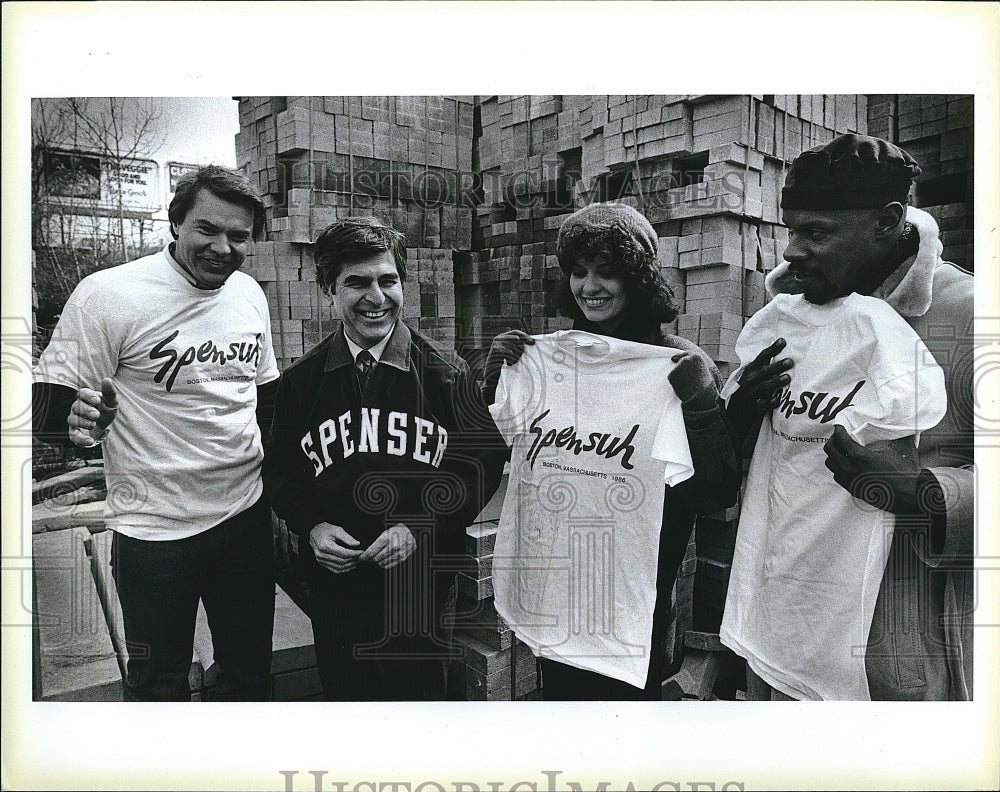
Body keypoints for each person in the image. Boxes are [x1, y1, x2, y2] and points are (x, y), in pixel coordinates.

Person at [724, 133, 974, 700]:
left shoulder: (975, 321)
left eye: (817, 233)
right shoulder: (789, 315)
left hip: (892, 650)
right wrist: (740, 412)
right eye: (792, 230)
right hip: (783, 626)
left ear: (887, 222)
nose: (791, 252)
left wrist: (925, 494)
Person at [32, 165, 280, 701]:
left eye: (238, 236)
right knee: (159, 683)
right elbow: (46, 402)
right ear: (175, 223)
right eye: (207, 230)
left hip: (245, 521)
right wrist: (76, 423)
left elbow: (264, 399)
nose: (223, 247)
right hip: (155, 532)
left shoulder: (248, 295)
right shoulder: (110, 295)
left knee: (248, 673)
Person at [486, 202, 740, 700]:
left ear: (638, 279)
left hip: (634, 602)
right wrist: (492, 376)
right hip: (557, 592)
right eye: (579, 272)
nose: (589, 287)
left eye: (607, 272)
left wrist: (699, 402)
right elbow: (496, 451)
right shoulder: (551, 360)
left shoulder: (677, 363)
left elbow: (716, 491)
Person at [263, 216, 508, 701]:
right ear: (328, 291)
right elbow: (281, 471)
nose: (376, 297)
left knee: (416, 708)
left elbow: (481, 464)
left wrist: (418, 523)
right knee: (348, 702)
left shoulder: (445, 374)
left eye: (387, 280)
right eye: (357, 282)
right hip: (336, 584)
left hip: (417, 588)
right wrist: (310, 526)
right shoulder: (301, 383)